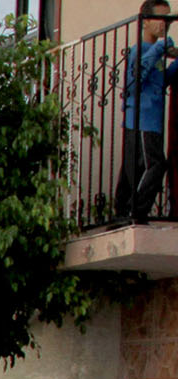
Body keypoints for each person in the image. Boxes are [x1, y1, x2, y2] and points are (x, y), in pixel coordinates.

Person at [117, 1, 176, 224]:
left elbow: (160, 83)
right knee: (155, 165)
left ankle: (125, 209)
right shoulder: (139, 51)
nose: (165, 25)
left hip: (152, 121)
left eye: (168, 19)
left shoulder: (154, 54)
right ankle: (136, 211)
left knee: (137, 167)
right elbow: (134, 83)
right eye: (161, 19)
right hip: (141, 120)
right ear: (146, 21)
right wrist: (160, 49)